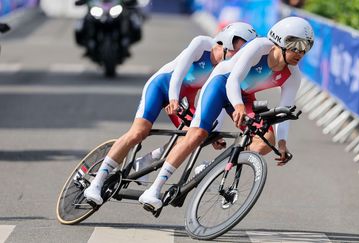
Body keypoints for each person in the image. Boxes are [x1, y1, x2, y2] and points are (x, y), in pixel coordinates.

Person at [139, 16, 314, 210]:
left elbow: (285, 112)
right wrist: (238, 106)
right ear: (279, 40)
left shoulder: (293, 75)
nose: (301, 52)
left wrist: (282, 144)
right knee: (196, 134)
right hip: (221, 84)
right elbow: (233, 80)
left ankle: (212, 166)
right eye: (295, 45)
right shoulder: (259, 47)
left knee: (266, 140)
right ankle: (154, 189)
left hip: (243, 96)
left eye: (307, 46)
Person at [84, 22, 258, 205]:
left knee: (194, 136)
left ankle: (147, 161)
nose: (241, 58)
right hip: (162, 86)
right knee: (138, 132)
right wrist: (174, 98)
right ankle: (96, 182)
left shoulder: (229, 67)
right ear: (228, 42)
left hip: (185, 97)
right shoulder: (202, 44)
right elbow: (179, 72)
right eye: (238, 51)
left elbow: (217, 100)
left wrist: (216, 132)